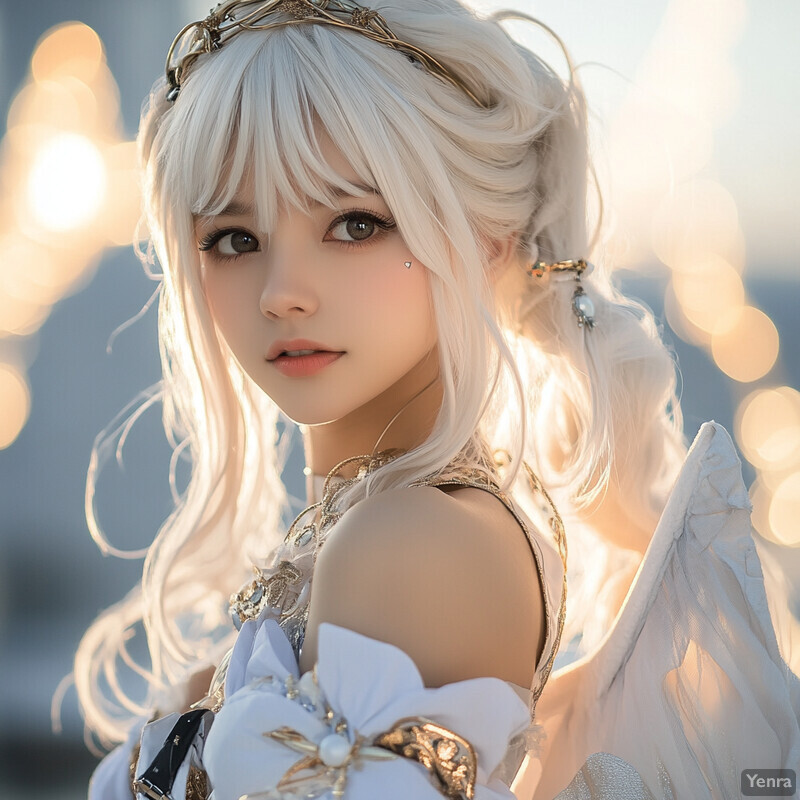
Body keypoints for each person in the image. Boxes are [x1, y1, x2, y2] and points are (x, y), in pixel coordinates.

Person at [78, 0, 800, 798]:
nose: (282, 293)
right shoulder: (384, 531)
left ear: (486, 236)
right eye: (234, 238)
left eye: (355, 224)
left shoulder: (409, 543)